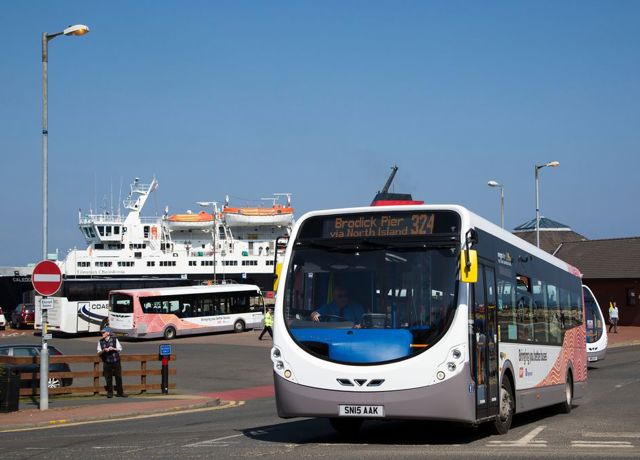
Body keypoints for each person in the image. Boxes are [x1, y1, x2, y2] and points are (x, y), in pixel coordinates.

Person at [97, 326, 127, 398]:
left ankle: (120, 392)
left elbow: (120, 349)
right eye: (102, 332)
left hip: (116, 360)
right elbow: (98, 352)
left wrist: (113, 348)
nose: (102, 333)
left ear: (108, 333)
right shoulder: (100, 341)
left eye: (103, 332)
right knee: (108, 377)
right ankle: (110, 393)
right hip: (106, 361)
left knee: (118, 377)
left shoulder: (114, 339)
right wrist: (104, 350)